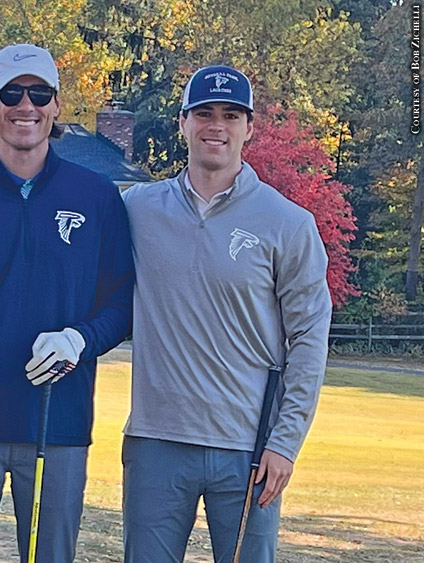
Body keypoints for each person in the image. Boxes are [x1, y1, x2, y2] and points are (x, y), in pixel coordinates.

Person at [0, 44, 134, 563]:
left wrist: (80, 340)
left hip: (56, 426)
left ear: (58, 104)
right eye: (13, 93)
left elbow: (122, 301)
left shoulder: (97, 195)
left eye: (39, 93)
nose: (27, 105)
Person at [120, 65, 332, 562]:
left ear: (249, 127)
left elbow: (308, 338)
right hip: (156, 442)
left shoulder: (289, 223)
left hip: (250, 451)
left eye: (231, 115)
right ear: (183, 123)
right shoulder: (137, 209)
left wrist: (285, 444)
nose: (217, 125)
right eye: (204, 113)